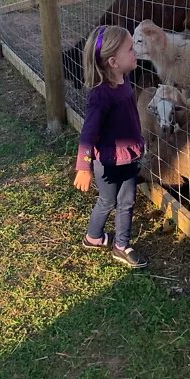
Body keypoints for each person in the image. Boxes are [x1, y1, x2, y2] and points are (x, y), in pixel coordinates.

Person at [73, 24, 149, 268]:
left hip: (128, 158)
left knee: (127, 201)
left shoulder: (124, 80)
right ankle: (93, 237)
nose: (135, 51)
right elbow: (88, 134)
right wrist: (83, 167)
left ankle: (121, 245)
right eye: (130, 48)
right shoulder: (100, 96)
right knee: (107, 202)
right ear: (114, 62)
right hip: (106, 163)